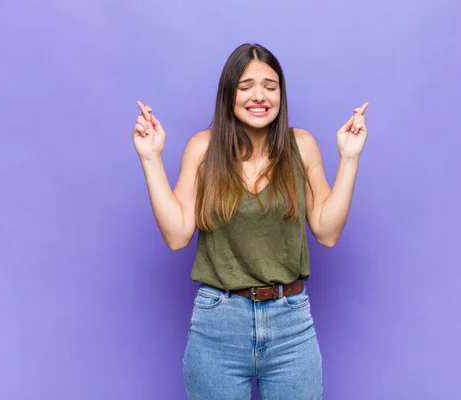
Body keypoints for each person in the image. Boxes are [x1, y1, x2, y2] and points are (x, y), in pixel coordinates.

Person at [131, 43, 368, 400]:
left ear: (281, 95)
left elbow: (327, 231)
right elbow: (178, 235)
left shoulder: (301, 146)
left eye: (270, 86)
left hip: (290, 322)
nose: (259, 96)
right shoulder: (203, 148)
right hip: (218, 323)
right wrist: (151, 159)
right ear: (229, 94)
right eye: (246, 87)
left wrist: (349, 159)